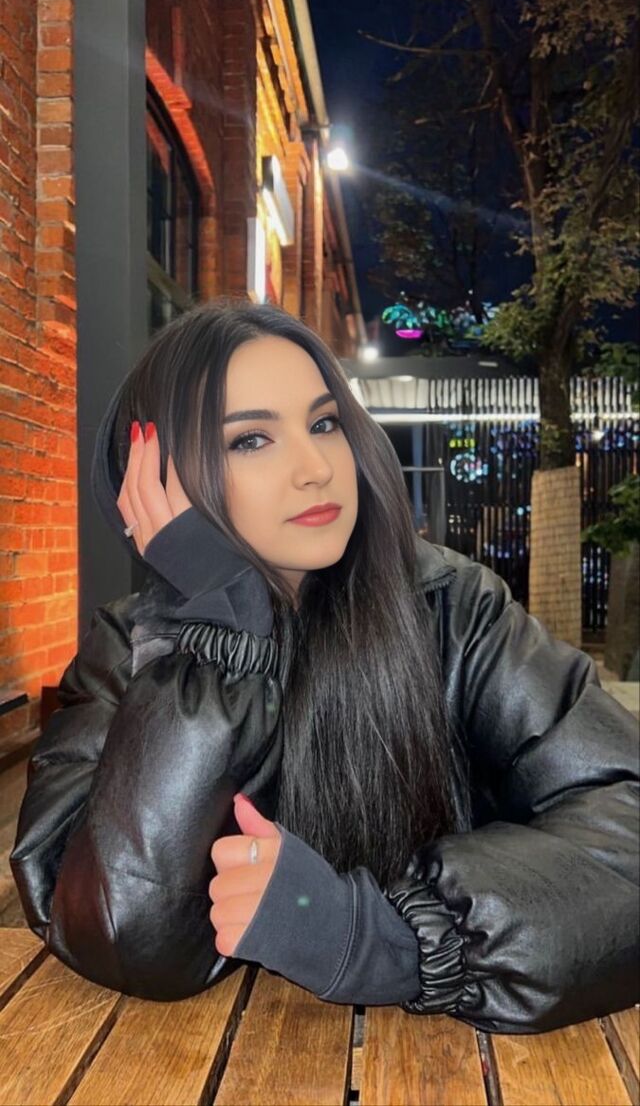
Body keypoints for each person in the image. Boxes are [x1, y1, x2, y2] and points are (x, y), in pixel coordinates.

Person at [10, 300, 639, 1035]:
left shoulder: (454, 608)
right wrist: (220, 634)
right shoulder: (133, 645)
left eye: (324, 424)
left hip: (449, 1056)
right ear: (156, 479)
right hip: (216, 1061)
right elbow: (115, 931)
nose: (315, 469)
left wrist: (379, 938)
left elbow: (623, 821)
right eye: (250, 439)